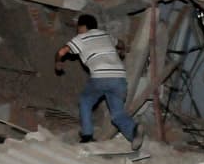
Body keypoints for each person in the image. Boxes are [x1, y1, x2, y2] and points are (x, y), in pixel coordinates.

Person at [55, 14, 143, 148]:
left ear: (83, 26)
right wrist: (123, 51)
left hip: (100, 76)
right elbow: (120, 43)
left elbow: (61, 52)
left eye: (78, 27)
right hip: (119, 79)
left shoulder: (81, 38)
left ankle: (87, 136)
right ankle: (134, 132)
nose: (77, 30)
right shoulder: (105, 35)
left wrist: (58, 63)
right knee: (117, 114)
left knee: (85, 101)